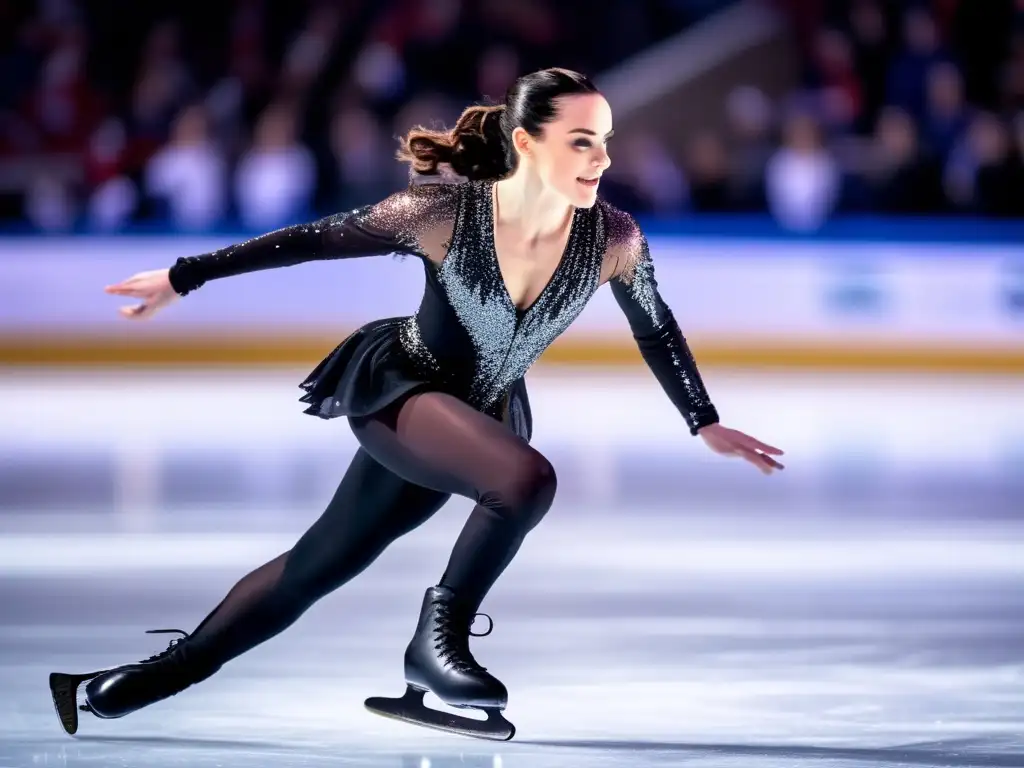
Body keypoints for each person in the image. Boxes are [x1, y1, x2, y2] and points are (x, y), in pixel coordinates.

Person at [49, 68, 784, 742]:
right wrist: (185, 275)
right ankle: (439, 645)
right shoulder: (442, 214)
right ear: (527, 142)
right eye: (582, 141)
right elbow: (311, 240)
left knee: (315, 568)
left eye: (607, 143)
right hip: (401, 392)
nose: (602, 159)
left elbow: (654, 325)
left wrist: (703, 419)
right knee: (525, 481)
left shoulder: (613, 238)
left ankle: (121, 687)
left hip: (476, 417)